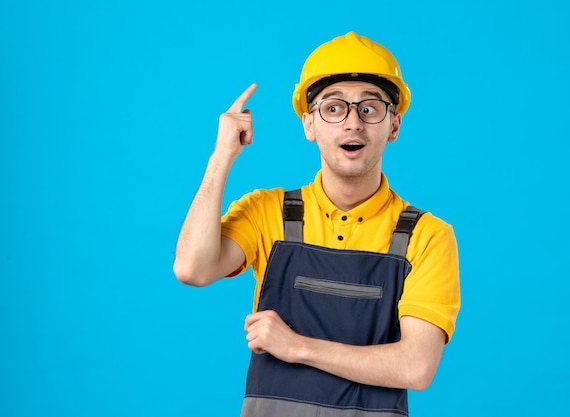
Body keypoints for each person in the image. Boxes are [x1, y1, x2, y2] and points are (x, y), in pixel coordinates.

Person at [173, 32, 460, 417]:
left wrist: (297, 347)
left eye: (370, 108)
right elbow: (192, 268)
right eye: (334, 108)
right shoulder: (267, 212)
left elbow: (416, 367)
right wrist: (221, 157)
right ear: (309, 124)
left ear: (394, 126)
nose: (353, 123)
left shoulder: (426, 237)